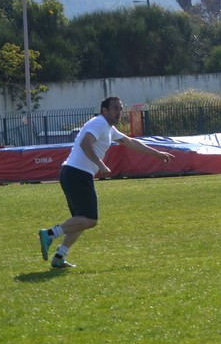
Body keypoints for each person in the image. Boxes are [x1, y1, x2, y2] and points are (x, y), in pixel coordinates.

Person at [38, 96, 174, 269]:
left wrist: (157, 154)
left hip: (74, 173)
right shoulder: (100, 123)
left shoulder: (109, 128)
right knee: (90, 220)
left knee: (80, 219)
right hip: (77, 173)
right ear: (104, 110)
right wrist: (101, 164)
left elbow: (130, 142)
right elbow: (85, 143)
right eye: (115, 108)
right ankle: (49, 234)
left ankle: (59, 256)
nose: (119, 112)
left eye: (121, 108)